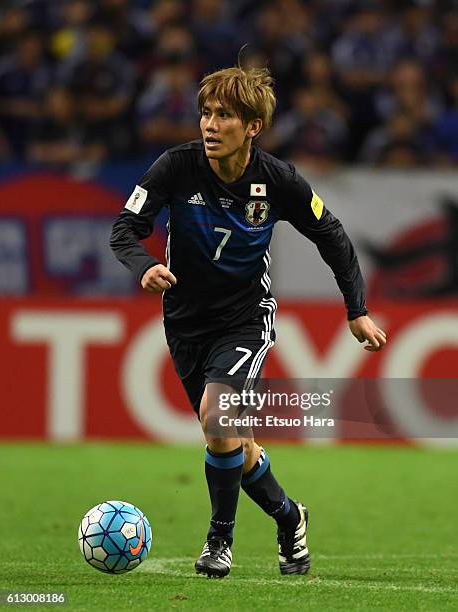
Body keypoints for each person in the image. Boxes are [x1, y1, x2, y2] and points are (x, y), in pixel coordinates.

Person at [110, 64, 387, 578]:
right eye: (206, 114)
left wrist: (358, 310)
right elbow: (125, 228)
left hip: (244, 319)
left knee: (219, 423)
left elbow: (333, 236)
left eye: (225, 116)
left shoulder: (278, 180)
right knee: (236, 442)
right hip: (184, 322)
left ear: (252, 127)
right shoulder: (175, 167)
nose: (210, 125)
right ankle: (290, 518)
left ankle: (220, 541)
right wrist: (144, 265)